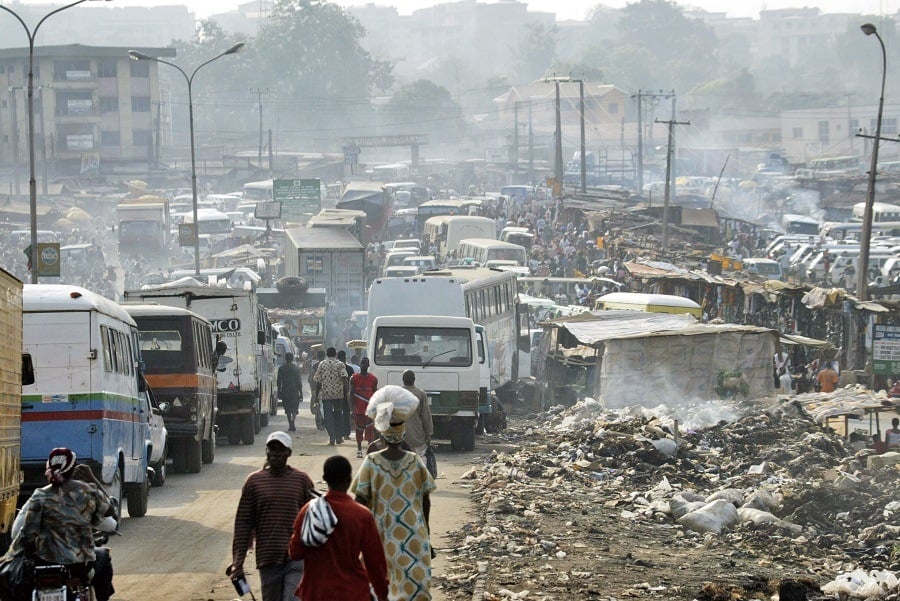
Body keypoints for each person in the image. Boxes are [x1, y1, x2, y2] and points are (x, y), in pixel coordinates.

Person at [6, 448, 116, 601]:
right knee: (104, 556)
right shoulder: (88, 492)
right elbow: (111, 519)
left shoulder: (40, 495)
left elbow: (22, 533)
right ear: (73, 469)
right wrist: (93, 479)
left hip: (42, 564)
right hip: (79, 567)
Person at [351, 415, 436, 601]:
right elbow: (426, 500)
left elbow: (359, 500)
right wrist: (426, 533)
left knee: (378, 586)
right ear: (403, 433)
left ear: (382, 433)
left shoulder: (372, 462)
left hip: (380, 535)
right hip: (414, 534)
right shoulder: (415, 462)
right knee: (415, 588)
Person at [288, 456, 389, 601]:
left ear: (325, 478)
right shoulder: (362, 515)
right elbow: (375, 562)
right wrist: (382, 594)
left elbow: (295, 552)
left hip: (316, 592)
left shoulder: (309, 511)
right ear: (349, 479)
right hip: (353, 592)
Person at [230, 431, 315, 601]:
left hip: (297, 558)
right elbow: (243, 524)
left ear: (289, 453)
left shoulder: (302, 480)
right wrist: (237, 563)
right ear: (266, 451)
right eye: (272, 449)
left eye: (280, 449)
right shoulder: (254, 482)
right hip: (268, 557)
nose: (276, 454)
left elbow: (315, 520)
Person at [314, 347, 349, 445]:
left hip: (326, 395)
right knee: (338, 414)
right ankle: (338, 437)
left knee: (328, 416)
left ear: (327, 354)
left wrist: (316, 396)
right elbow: (345, 378)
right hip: (338, 395)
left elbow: (318, 381)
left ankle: (332, 437)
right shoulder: (340, 364)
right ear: (335, 354)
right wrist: (347, 392)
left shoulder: (322, 364)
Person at [401, 370, 435, 473]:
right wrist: (429, 433)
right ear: (414, 380)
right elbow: (426, 416)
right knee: (420, 456)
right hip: (417, 433)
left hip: (401, 434)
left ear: (403, 380)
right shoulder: (420, 394)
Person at [350, 357, 378, 458]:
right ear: (360, 364)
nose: (363, 365)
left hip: (369, 410)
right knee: (359, 430)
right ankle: (359, 449)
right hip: (358, 410)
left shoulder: (373, 379)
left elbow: (375, 395)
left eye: (365, 363)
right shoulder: (354, 378)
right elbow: (351, 394)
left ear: (368, 365)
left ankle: (370, 450)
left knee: (370, 430)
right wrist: (351, 409)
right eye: (362, 363)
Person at [277, 352, 303, 432]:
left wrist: (279, 391)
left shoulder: (281, 368)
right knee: (294, 409)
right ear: (292, 359)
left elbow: (278, 381)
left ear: (285, 358)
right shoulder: (295, 368)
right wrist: (301, 393)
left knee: (288, 409)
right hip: (295, 391)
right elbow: (299, 381)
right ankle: (293, 422)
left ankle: (290, 424)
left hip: (285, 391)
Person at [308, 350, 326, 431]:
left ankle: (319, 424)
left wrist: (313, 391)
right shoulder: (327, 365)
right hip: (327, 389)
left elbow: (311, 379)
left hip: (317, 389)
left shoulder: (315, 366)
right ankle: (324, 423)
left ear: (318, 357)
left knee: (318, 406)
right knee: (326, 407)